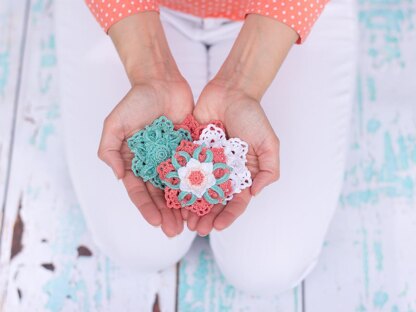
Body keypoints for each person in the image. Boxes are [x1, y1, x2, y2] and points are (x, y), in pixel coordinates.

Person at [55, 0, 357, 295]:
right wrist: (149, 69)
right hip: (130, 11)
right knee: (138, 247)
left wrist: (242, 85)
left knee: (266, 264)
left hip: (289, 14)